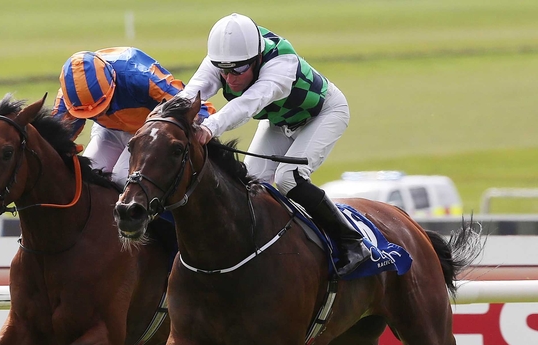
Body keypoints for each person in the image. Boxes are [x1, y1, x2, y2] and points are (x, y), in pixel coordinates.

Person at [179, 13, 369, 275]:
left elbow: (248, 104)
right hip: (280, 121)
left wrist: (209, 127)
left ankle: (352, 241)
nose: (230, 79)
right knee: (251, 184)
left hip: (324, 113)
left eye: (238, 70)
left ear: (257, 59)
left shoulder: (282, 63)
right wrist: (167, 117)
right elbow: (192, 92)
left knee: (288, 178)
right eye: (224, 70)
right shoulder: (228, 56)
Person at [53, 47, 215, 186]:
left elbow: (196, 107)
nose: (98, 114)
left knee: (123, 179)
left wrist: (206, 129)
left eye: (102, 106)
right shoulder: (69, 99)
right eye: (90, 113)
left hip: (149, 132)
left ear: (113, 81)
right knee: (88, 179)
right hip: (109, 131)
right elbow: (55, 145)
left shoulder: (140, 76)